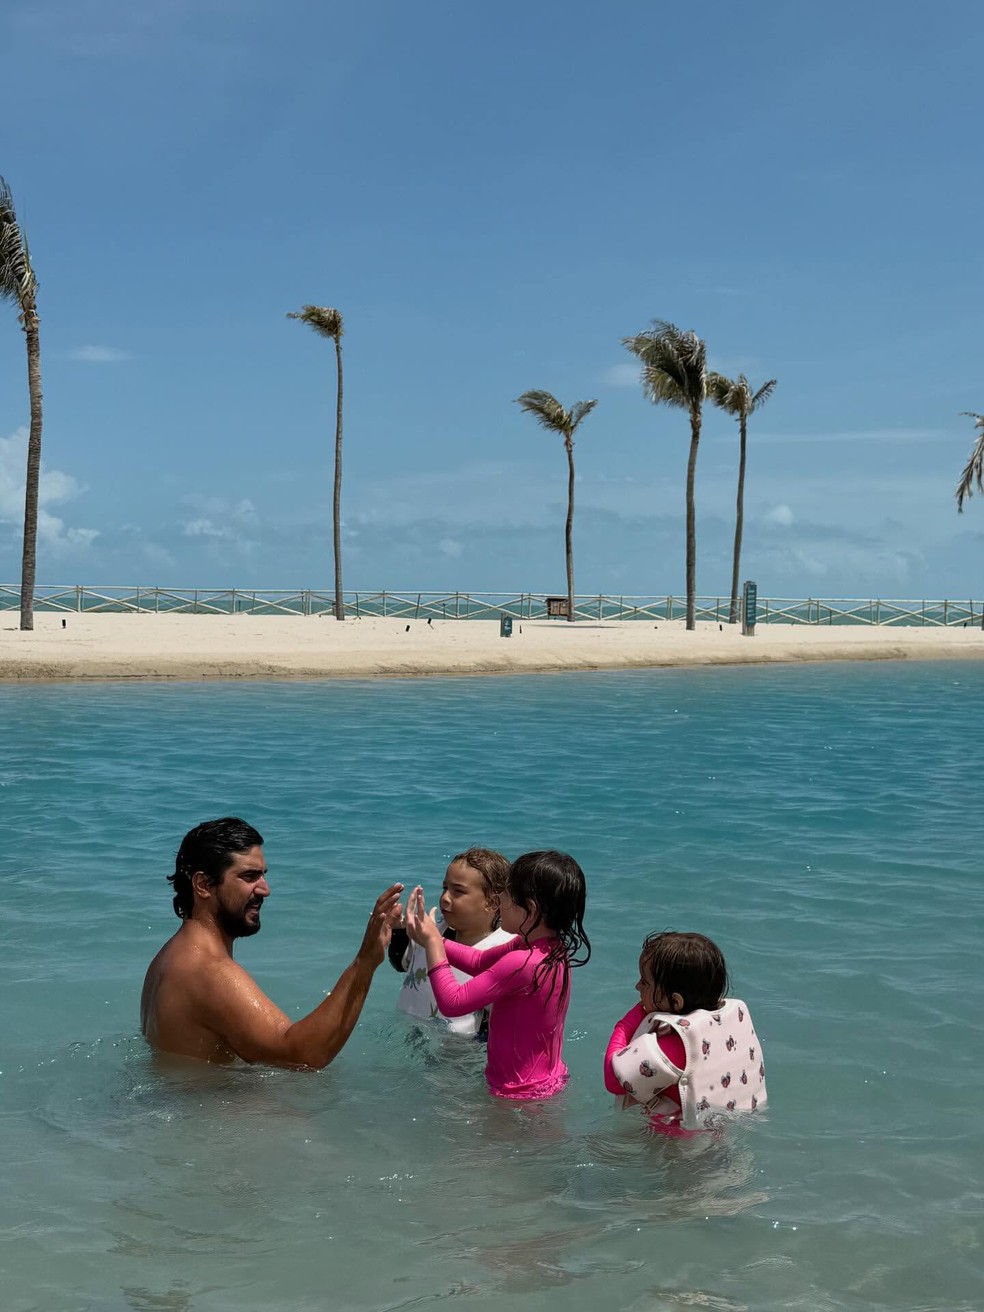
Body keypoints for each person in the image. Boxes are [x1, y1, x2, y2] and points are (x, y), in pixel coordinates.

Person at [141, 817, 403, 1068]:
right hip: (204, 1111)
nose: (265, 889)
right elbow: (303, 1057)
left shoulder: (168, 957)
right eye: (249, 876)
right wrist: (365, 962)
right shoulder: (209, 972)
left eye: (263, 875)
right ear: (203, 885)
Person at [404, 850, 590, 1100]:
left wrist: (434, 945)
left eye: (508, 893)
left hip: (518, 1093)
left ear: (530, 909)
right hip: (547, 1078)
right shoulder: (547, 949)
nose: (499, 898)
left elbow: (452, 1002)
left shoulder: (522, 963)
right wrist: (431, 939)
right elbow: (477, 960)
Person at [604, 931, 767, 1132]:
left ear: (676, 1001)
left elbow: (614, 1079)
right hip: (716, 1135)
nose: (637, 986)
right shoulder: (718, 1026)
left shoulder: (676, 1046)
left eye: (645, 982)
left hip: (675, 1150)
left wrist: (625, 1024)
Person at [389, 847, 512, 1037]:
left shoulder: (500, 954)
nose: (445, 898)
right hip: (412, 1032)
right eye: (445, 888)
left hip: (462, 1055)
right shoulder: (435, 929)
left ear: (492, 902)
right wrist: (398, 930)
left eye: (458, 892)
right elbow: (403, 963)